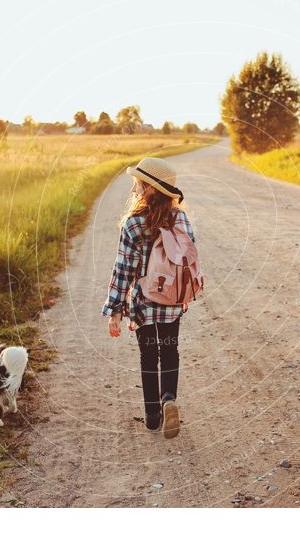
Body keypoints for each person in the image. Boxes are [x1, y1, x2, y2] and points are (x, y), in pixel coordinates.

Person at [101, 157, 196, 439]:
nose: (134, 191)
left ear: (150, 189)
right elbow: (187, 260)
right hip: (171, 301)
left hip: (143, 303)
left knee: (148, 356)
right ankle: (169, 398)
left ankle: (152, 416)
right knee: (169, 351)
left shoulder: (132, 225)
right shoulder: (181, 219)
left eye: (137, 185)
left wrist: (115, 308)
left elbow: (123, 270)